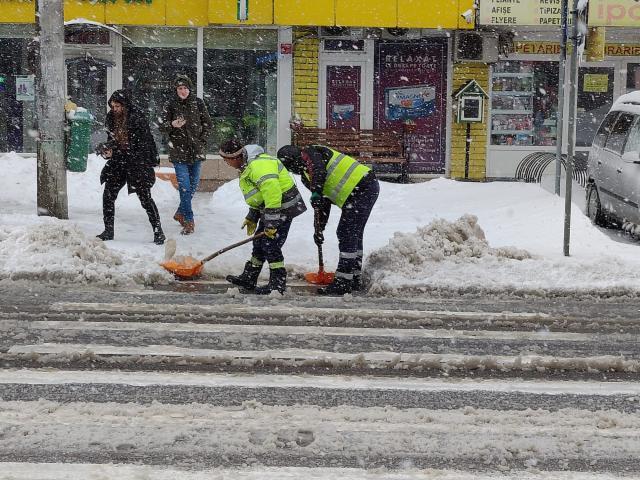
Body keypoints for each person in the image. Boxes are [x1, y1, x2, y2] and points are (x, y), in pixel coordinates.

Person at [277, 144, 379, 295]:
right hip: (357, 193)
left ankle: (343, 282)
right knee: (352, 233)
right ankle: (353, 278)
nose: (293, 170)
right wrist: (319, 229)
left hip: (363, 186)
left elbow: (319, 170)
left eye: (292, 165)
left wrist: (316, 192)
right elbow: (323, 204)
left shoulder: (312, 153)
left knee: (346, 232)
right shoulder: (307, 177)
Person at [220, 138, 306, 294]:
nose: (227, 164)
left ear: (236, 157)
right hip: (271, 208)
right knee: (260, 243)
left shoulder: (258, 165)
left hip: (283, 208)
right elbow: (259, 194)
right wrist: (252, 215)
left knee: (270, 245)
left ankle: (277, 283)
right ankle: (249, 277)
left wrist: (271, 223)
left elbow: (272, 193)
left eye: (227, 161)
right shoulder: (248, 165)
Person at [96, 89, 165, 245]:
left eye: (118, 106)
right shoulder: (111, 118)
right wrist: (108, 150)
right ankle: (108, 230)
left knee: (145, 198)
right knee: (108, 195)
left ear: (125, 105)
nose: (115, 109)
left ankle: (158, 231)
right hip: (119, 162)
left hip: (136, 162)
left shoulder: (137, 118)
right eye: (112, 106)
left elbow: (145, 141)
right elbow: (111, 139)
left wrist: (148, 160)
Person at [160, 75, 212, 235]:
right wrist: (172, 125)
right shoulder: (170, 104)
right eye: (179, 89)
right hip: (178, 151)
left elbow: (208, 124)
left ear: (190, 89)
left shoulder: (198, 103)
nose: (182, 91)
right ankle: (189, 220)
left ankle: (179, 212)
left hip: (196, 150)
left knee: (193, 186)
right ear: (176, 90)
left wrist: (201, 141)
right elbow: (161, 126)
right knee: (185, 187)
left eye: (185, 88)